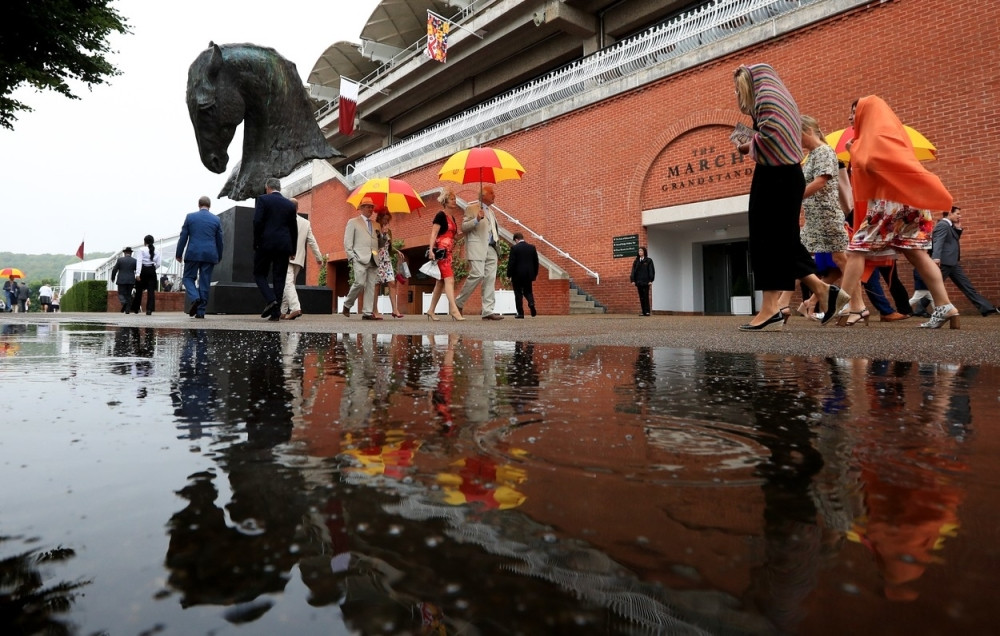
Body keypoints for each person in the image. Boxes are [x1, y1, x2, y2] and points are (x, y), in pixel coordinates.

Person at [732, 63, 848, 331]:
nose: (739, 93)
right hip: (783, 176)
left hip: (776, 177)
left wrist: (748, 146)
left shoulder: (766, 101)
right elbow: (775, 136)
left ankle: (773, 308)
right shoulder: (777, 100)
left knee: (766, 241)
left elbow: (772, 138)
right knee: (782, 242)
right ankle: (819, 291)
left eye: (740, 88)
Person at [837, 95, 957, 328]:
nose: (851, 117)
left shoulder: (875, 136)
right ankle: (945, 306)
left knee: (856, 250)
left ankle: (842, 305)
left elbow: (873, 164)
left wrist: (854, 150)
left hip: (889, 203)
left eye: (855, 112)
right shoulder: (891, 134)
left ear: (867, 114)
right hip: (910, 201)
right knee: (917, 254)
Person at [794, 115, 848, 318]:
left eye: (797, 134)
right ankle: (803, 302)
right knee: (798, 256)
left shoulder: (824, 151)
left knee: (841, 260)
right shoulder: (811, 156)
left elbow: (820, 181)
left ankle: (854, 304)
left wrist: (793, 198)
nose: (797, 140)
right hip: (814, 217)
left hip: (827, 215)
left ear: (807, 130)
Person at [932, 206, 999, 316]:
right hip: (944, 262)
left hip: (953, 262)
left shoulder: (950, 226)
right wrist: (936, 258)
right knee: (934, 286)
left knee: (967, 286)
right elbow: (938, 242)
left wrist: (958, 229)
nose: (960, 216)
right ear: (950, 213)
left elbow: (951, 241)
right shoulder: (943, 225)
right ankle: (919, 306)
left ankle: (987, 308)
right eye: (957, 213)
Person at [455, 184, 504, 320]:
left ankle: (487, 311)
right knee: (477, 274)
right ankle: (458, 302)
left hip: (492, 248)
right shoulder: (471, 208)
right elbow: (464, 227)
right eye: (491, 193)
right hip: (477, 247)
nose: (494, 196)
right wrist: (476, 219)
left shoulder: (492, 212)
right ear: (483, 195)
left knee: (490, 279)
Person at [253, 177, 298, 321]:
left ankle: (271, 300)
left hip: (266, 243)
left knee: (259, 273)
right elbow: (293, 229)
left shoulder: (263, 200)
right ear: (279, 188)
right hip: (284, 245)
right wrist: (293, 249)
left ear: (267, 188)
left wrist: (256, 241)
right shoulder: (289, 204)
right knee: (279, 278)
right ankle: (275, 313)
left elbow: (257, 221)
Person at [176, 195, 224, 319]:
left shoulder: (190, 217)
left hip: (193, 253)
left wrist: (179, 254)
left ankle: (195, 297)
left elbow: (183, 237)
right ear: (210, 206)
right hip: (209, 254)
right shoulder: (216, 220)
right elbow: (220, 240)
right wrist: (219, 255)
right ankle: (201, 311)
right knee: (205, 281)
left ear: (199, 204)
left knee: (187, 278)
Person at [425, 187, 465, 321]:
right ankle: (453, 309)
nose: (455, 201)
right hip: (441, 253)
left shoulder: (452, 218)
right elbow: (434, 233)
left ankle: (431, 310)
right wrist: (431, 250)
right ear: (445, 201)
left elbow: (455, 237)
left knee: (440, 282)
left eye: (455, 199)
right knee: (449, 279)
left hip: (449, 252)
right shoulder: (440, 215)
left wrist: (468, 230)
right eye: (452, 199)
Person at [281, 202, 323, 321]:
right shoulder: (306, 223)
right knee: (289, 284)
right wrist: (319, 257)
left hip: (286, 256)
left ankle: (295, 308)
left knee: (287, 283)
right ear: (298, 208)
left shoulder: (283, 220)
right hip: (299, 259)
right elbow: (312, 241)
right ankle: (282, 311)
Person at [342, 196, 380, 320]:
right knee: (359, 282)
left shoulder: (376, 225)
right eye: (368, 207)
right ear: (361, 208)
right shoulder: (353, 222)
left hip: (374, 258)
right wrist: (351, 256)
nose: (371, 209)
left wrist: (384, 237)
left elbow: (380, 244)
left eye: (372, 207)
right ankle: (347, 304)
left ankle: (367, 312)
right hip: (359, 257)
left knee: (371, 285)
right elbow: (347, 241)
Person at [373, 210, 403, 319]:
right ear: (379, 218)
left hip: (386, 260)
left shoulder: (389, 231)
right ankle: (375, 310)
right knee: (377, 285)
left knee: (392, 282)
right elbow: (377, 245)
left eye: (387, 219)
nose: (386, 221)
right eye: (384, 219)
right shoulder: (375, 229)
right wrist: (383, 234)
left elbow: (388, 247)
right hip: (377, 259)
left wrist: (396, 251)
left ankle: (395, 309)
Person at [508, 232, 539, 319]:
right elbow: (536, 262)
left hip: (517, 275)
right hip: (528, 274)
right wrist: (534, 274)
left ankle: (520, 313)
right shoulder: (532, 248)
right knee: (528, 291)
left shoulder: (514, 248)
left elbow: (511, 263)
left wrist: (509, 274)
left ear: (516, 239)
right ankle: (531, 303)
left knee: (518, 293)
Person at [132, 235, 162, 315]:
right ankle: (149, 309)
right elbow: (158, 264)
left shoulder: (141, 250)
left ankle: (136, 308)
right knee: (151, 291)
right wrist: (153, 268)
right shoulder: (157, 251)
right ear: (153, 242)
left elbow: (139, 262)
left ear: (145, 242)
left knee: (139, 290)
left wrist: (137, 274)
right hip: (151, 270)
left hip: (143, 270)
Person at [110, 247, 138, 314]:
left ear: (124, 253)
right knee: (129, 295)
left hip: (121, 280)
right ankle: (127, 310)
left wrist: (113, 277)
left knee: (121, 293)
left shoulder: (120, 260)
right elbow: (137, 270)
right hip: (131, 280)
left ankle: (124, 302)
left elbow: (115, 269)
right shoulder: (134, 261)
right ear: (131, 253)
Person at [629, 246, 655, 316]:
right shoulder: (636, 261)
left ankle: (647, 311)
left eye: (641, 251)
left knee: (646, 296)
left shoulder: (648, 260)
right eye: (639, 251)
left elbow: (651, 271)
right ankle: (643, 311)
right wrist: (633, 280)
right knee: (641, 297)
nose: (640, 252)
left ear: (644, 252)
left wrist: (651, 280)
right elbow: (633, 271)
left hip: (646, 281)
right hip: (639, 281)